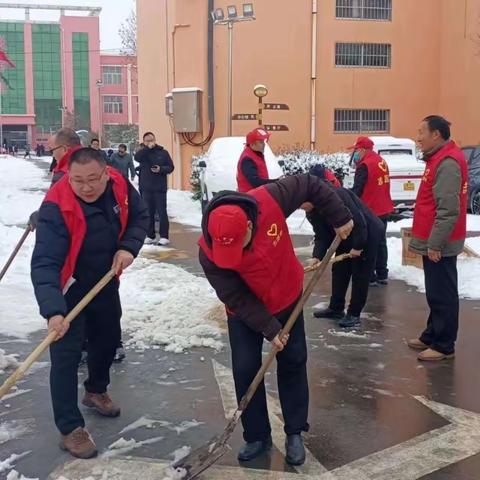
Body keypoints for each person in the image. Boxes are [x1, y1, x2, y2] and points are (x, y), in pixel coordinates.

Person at [199, 174, 353, 465]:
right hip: (244, 312)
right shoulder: (207, 251)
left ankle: (295, 431)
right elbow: (236, 296)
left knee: (293, 361)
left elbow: (310, 183)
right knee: (246, 369)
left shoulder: (269, 200)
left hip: (287, 298)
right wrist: (270, 329)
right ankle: (256, 435)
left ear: (247, 225)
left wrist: (339, 215)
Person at [30, 147, 148, 458]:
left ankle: (96, 390)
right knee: (66, 357)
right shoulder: (57, 205)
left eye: (93, 179)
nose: (86, 187)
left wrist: (128, 248)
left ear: (106, 173)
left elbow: (140, 216)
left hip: (106, 281)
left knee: (107, 341)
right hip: (69, 288)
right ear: (67, 176)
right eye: (77, 180)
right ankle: (70, 429)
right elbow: (44, 262)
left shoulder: (121, 186)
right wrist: (54, 311)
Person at [407, 115, 468, 362]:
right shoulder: (437, 159)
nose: (418, 137)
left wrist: (435, 243)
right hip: (433, 238)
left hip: (440, 242)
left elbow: (448, 209)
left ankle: (444, 345)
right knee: (435, 291)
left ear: (436, 135)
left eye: (422, 132)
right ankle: (432, 334)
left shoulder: (448, 163)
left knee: (443, 293)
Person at [307, 165, 384, 328]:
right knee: (340, 270)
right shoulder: (311, 211)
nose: (300, 208)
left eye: (302, 204)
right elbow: (322, 235)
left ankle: (354, 313)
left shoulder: (337, 195)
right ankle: (336, 308)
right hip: (344, 236)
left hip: (367, 233)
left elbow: (359, 222)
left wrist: (358, 246)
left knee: (360, 274)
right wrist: (317, 256)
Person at [350, 136, 394, 286]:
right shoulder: (380, 161)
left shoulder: (364, 165)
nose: (355, 154)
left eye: (356, 150)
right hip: (384, 207)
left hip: (370, 209)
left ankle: (370, 276)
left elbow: (357, 189)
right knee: (381, 242)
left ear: (362, 149)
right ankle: (382, 273)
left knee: (370, 243)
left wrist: (349, 202)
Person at [135, 131, 174, 246]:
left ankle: (164, 236)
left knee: (162, 212)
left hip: (159, 188)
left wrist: (161, 169)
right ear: (144, 142)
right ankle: (150, 235)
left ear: (155, 140)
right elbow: (137, 158)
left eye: (152, 140)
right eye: (148, 140)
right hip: (146, 188)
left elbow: (170, 167)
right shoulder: (143, 154)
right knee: (148, 212)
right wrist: (147, 149)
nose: (150, 142)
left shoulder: (163, 152)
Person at [237, 128, 277, 192]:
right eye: (261, 142)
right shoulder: (247, 159)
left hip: (258, 194)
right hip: (251, 197)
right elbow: (255, 182)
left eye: (263, 142)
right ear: (252, 144)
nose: (264, 144)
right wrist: (275, 183)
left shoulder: (256, 155)